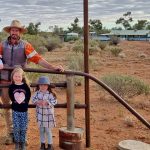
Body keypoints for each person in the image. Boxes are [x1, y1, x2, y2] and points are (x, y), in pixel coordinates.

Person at [0, 20, 64, 144]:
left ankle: (23, 135)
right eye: (13, 30)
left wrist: (53, 67)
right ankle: (10, 134)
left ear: (20, 32)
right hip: (5, 81)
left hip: (20, 82)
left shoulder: (25, 45)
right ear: (10, 31)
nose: (14, 32)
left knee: (22, 108)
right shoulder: (2, 45)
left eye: (17, 30)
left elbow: (38, 59)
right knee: (7, 108)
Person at [8, 67, 31, 150]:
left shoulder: (25, 86)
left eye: (19, 76)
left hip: (24, 110)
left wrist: (24, 104)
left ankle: (23, 143)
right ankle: (17, 143)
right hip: (15, 110)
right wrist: (15, 102)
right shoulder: (11, 87)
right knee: (16, 127)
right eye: (15, 76)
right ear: (12, 77)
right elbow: (11, 96)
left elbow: (28, 96)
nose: (17, 78)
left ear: (22, 77)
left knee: (23, 127)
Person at [32, 76, 57, 150]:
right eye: (41, 85)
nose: (43, 87)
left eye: (45, 85)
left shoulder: (50, 94)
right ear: (39, 85)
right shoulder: (37, 93)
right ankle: (42, 144)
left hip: (48, 116)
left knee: (48, 130)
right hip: (40, 115)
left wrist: (47, 102)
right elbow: (33, 100)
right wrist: (37, 102)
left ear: (48, 86)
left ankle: (50, 145)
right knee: (41, 130)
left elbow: (55, 101)